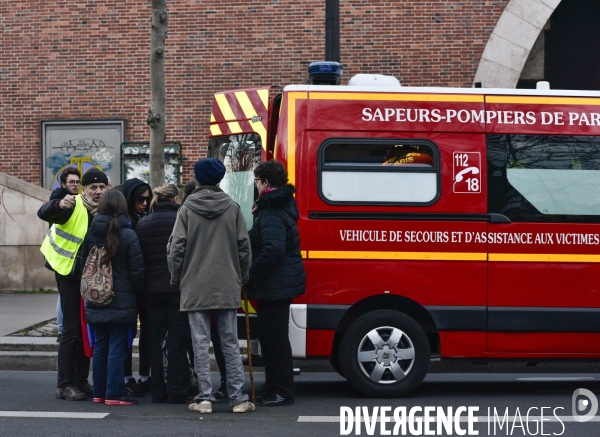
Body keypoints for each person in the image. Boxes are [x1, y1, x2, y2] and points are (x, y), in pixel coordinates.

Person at [168, 158, 254, 414]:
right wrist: (242, 276)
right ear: (219, 179)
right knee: (229, 342)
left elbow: (176, 250)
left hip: (194, 282)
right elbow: (244, 248)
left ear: (197, 179)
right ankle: (237, 398)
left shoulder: (186, 209)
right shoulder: (233, 208)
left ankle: (205, 398)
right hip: (227, 282)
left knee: (199, 342)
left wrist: (176, 278)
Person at [38, 167, 108, 401]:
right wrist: (58, 205)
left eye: (101, 187)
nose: (98, 191)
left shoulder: (104, 210)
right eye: (93, 188)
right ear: (84, 190)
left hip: (87, 278)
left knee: (85, 330)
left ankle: (80, 381)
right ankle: (64, 385)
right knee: (71, 330)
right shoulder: (73, 204)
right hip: (67, 272)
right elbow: (45, 212)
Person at [247, 160, 306, 407]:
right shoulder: (277, 206)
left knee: (275, 341)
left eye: (258, 181)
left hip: (275, 285)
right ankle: (273, 387)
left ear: (266, 183)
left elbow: (273, 250)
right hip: (278, 284)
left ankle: (282, 390)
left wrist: (250, 274)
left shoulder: (271, 211)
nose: (256, 185)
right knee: (272, 339)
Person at [80, 189, 145, 406]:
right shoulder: (128, 234)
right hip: (122, 299)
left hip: (96, 297)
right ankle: (115, 393)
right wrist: (136, 293)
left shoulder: (91, 233)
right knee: (117, 345)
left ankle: (99, 391)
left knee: (100, 345)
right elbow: (137, 271)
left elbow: (83, 265)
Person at [136, 184, 191, 404]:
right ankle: (177, 391)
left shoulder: (143, 223)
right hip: (176, 287)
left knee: (154, 339)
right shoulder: (182, 219)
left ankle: (158, 390)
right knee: (177, 341)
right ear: (176, 198)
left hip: (151, 289)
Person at [121, 178, 153, 396]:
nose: (144, 203)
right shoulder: (124, 222)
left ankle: (144, 375)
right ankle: (126, 377)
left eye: (147, 199)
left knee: (148, 333)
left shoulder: (146, 218)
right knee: (127, 332)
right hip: (128, 286)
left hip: (145, 285)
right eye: (140, 199)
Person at [49, 167, 82, 343]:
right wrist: (59, 204)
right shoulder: (59, 197)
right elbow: (48, 208)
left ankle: (65, 330)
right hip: (61, 257)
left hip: (69, 256)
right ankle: (62, 330)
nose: (75, 185)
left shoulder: (77, 199)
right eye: (71, 182)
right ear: (63, 184)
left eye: (77, 182)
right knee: (64, 296)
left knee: (66, 297)